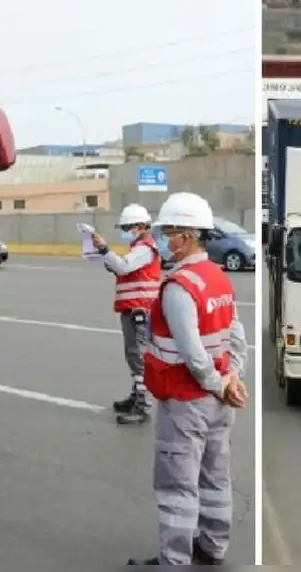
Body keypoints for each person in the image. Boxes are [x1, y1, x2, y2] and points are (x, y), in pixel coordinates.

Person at [128, 192, 250, 566]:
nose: (163, 239)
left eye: (168, 232)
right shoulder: (217, 277)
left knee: (177, 487)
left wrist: (217, 381)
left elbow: (192, 352)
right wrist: (232, 378)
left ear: (187, 235)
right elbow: (236, 336)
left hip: (186, 400)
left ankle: (174, 561)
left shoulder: (180, 286)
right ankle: (212, 546)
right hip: (218, 401)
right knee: (215, 478)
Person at [92, 203, 162, 425]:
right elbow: (123, 269)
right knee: (133, 355)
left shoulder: (145, 248)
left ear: (141, 227)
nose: (125, 232)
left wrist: (105, 250)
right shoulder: (138, 247)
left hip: (140, 309)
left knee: (139, 356)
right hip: (132, 308)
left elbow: (123, 267)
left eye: (127, 227)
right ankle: (136, 396)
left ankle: (142, 404)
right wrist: (108, 259)